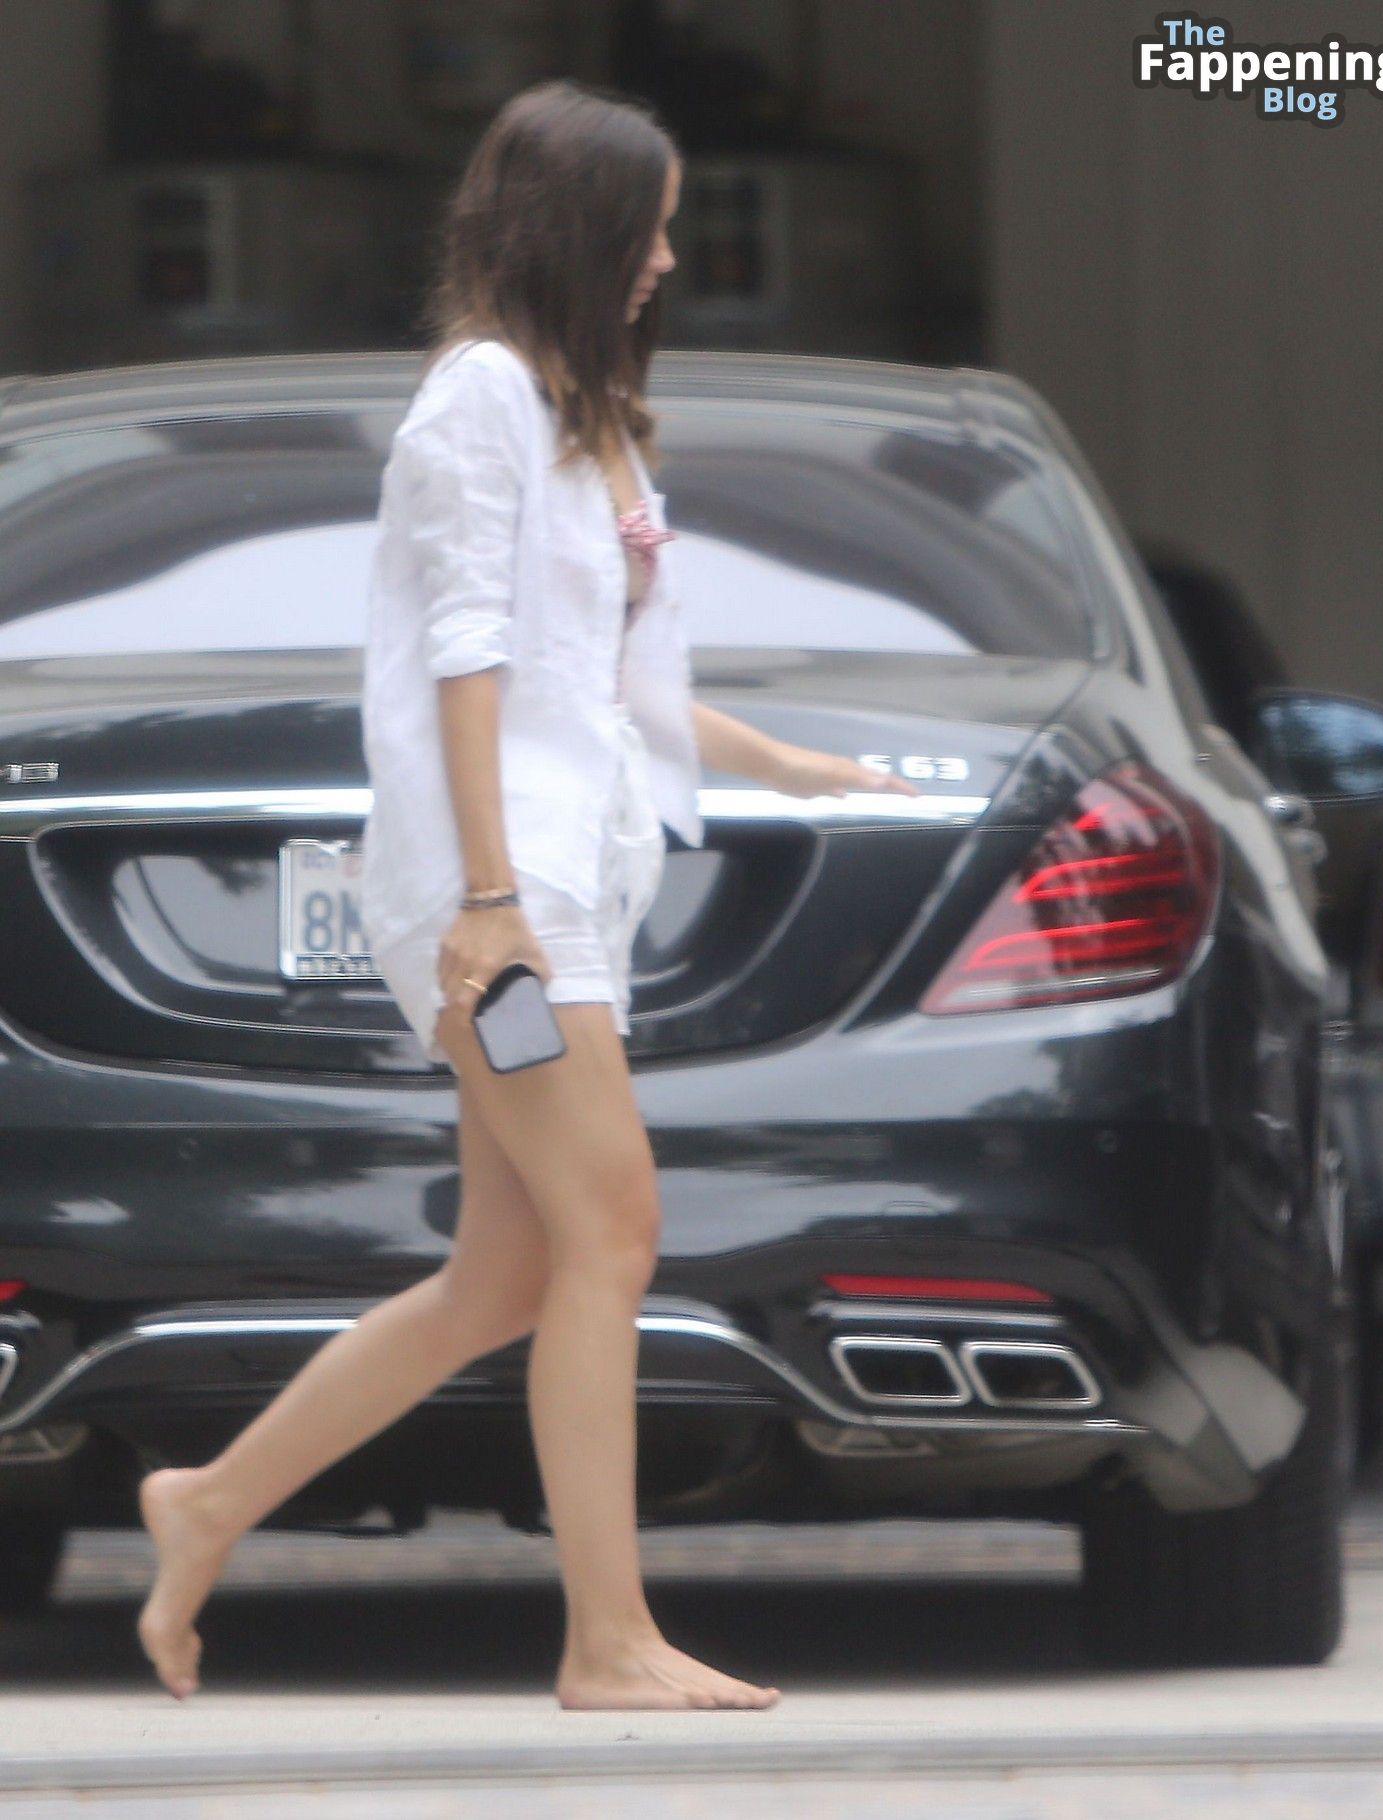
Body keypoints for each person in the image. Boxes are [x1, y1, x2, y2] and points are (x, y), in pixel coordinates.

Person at [134, 77, 919, 1713]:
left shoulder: (587, 417)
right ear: (580, 228)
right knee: (616, 1229)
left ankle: (205, 1504)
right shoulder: (478, 400)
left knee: (505, 1278)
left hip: (565, 879)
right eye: (651, 227)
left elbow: (600, 681)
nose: (670, 259)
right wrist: (489, 900)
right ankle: (605, 1640)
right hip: (504, 894)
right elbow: (468, 657)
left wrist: (789, 764)